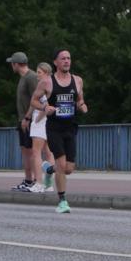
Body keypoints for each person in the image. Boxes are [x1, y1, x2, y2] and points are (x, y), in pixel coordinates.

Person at [31, 49, 87, 214]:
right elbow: (34, 100)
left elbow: (80, 98)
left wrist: (81, 105)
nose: (67, 61)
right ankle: (62, 201)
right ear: (55, 62)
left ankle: (49, 170)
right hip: (54, 128)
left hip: (70, 127)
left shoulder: (77, 81)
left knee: (69, 168)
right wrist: (44, 107)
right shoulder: (47, 82)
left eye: (69, 58)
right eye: (63, 58)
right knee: (61, 165)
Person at [8, 51, 40, 192]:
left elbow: (37, 98)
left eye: (12, 63)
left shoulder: (31, 77)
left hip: (30, 120)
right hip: (23, 120)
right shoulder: (23, 77)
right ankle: (28, 180)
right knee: (25, 151)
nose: (11, 66)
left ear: (16, 64)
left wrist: (27, 117)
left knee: (32, 151)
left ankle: (35, 180)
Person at [27, 62, 56, 193]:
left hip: (41, 120)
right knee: (49, 152)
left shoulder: (44, 85)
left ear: (46, 73)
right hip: (48, 121)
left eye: (39, 72)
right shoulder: (52, 85)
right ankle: (48, 184)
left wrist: (37, 119)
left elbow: (45, 105)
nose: (37, 75)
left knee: (36, 152)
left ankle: (39, 182)